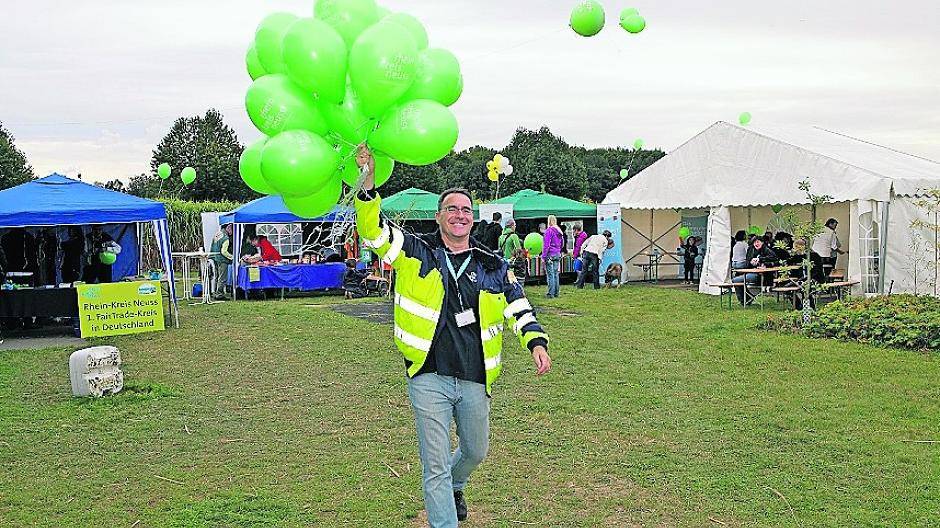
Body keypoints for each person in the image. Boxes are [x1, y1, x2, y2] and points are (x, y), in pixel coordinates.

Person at [354, 145, 550, 528]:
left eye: (465, 210)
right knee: (435, 463)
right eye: (452, 209)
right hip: (428, 374)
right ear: (440, 216)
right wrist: (368, 180)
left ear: (472, 220)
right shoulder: (416, 251)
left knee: (476, 451)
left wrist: (536, 342)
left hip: (476, 374)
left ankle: (458, 484)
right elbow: (373, 231)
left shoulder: (491, 264)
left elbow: (518, 304)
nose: (459, 215)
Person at [731, 237, 779, 305]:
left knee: (736, 280)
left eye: (758, 242)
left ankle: (745, 300)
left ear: (762, 242)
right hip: (752, 272)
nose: (756, 244)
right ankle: (747, 298)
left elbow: (776, 261)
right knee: (736, 280)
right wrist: (751, 262)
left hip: (763, 276)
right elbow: (747, 263)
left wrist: (762, 262)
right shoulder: (751, 250)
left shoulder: (767, 250)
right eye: (754, 242)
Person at [541, 215, 564, 298]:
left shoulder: (549, 231)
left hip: (550, 254)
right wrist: (558, 250)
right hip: (557, 254)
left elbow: (546, 245)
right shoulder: (559, 231)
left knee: (550, 275)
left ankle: (551, 294)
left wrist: (543, 256)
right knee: (555, 274)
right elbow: (562, 244)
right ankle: (556, 293)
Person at [210, 224, 234, 299]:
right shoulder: (225, 238)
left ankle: (215, 292)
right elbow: (224, 252)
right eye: (232, 229)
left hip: (214, 258)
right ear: (228, 227)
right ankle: (220, 294)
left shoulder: (217, 234)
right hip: (222, 260)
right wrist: (232, 257)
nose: (232, 232)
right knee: (222, 277)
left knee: (217, 276)